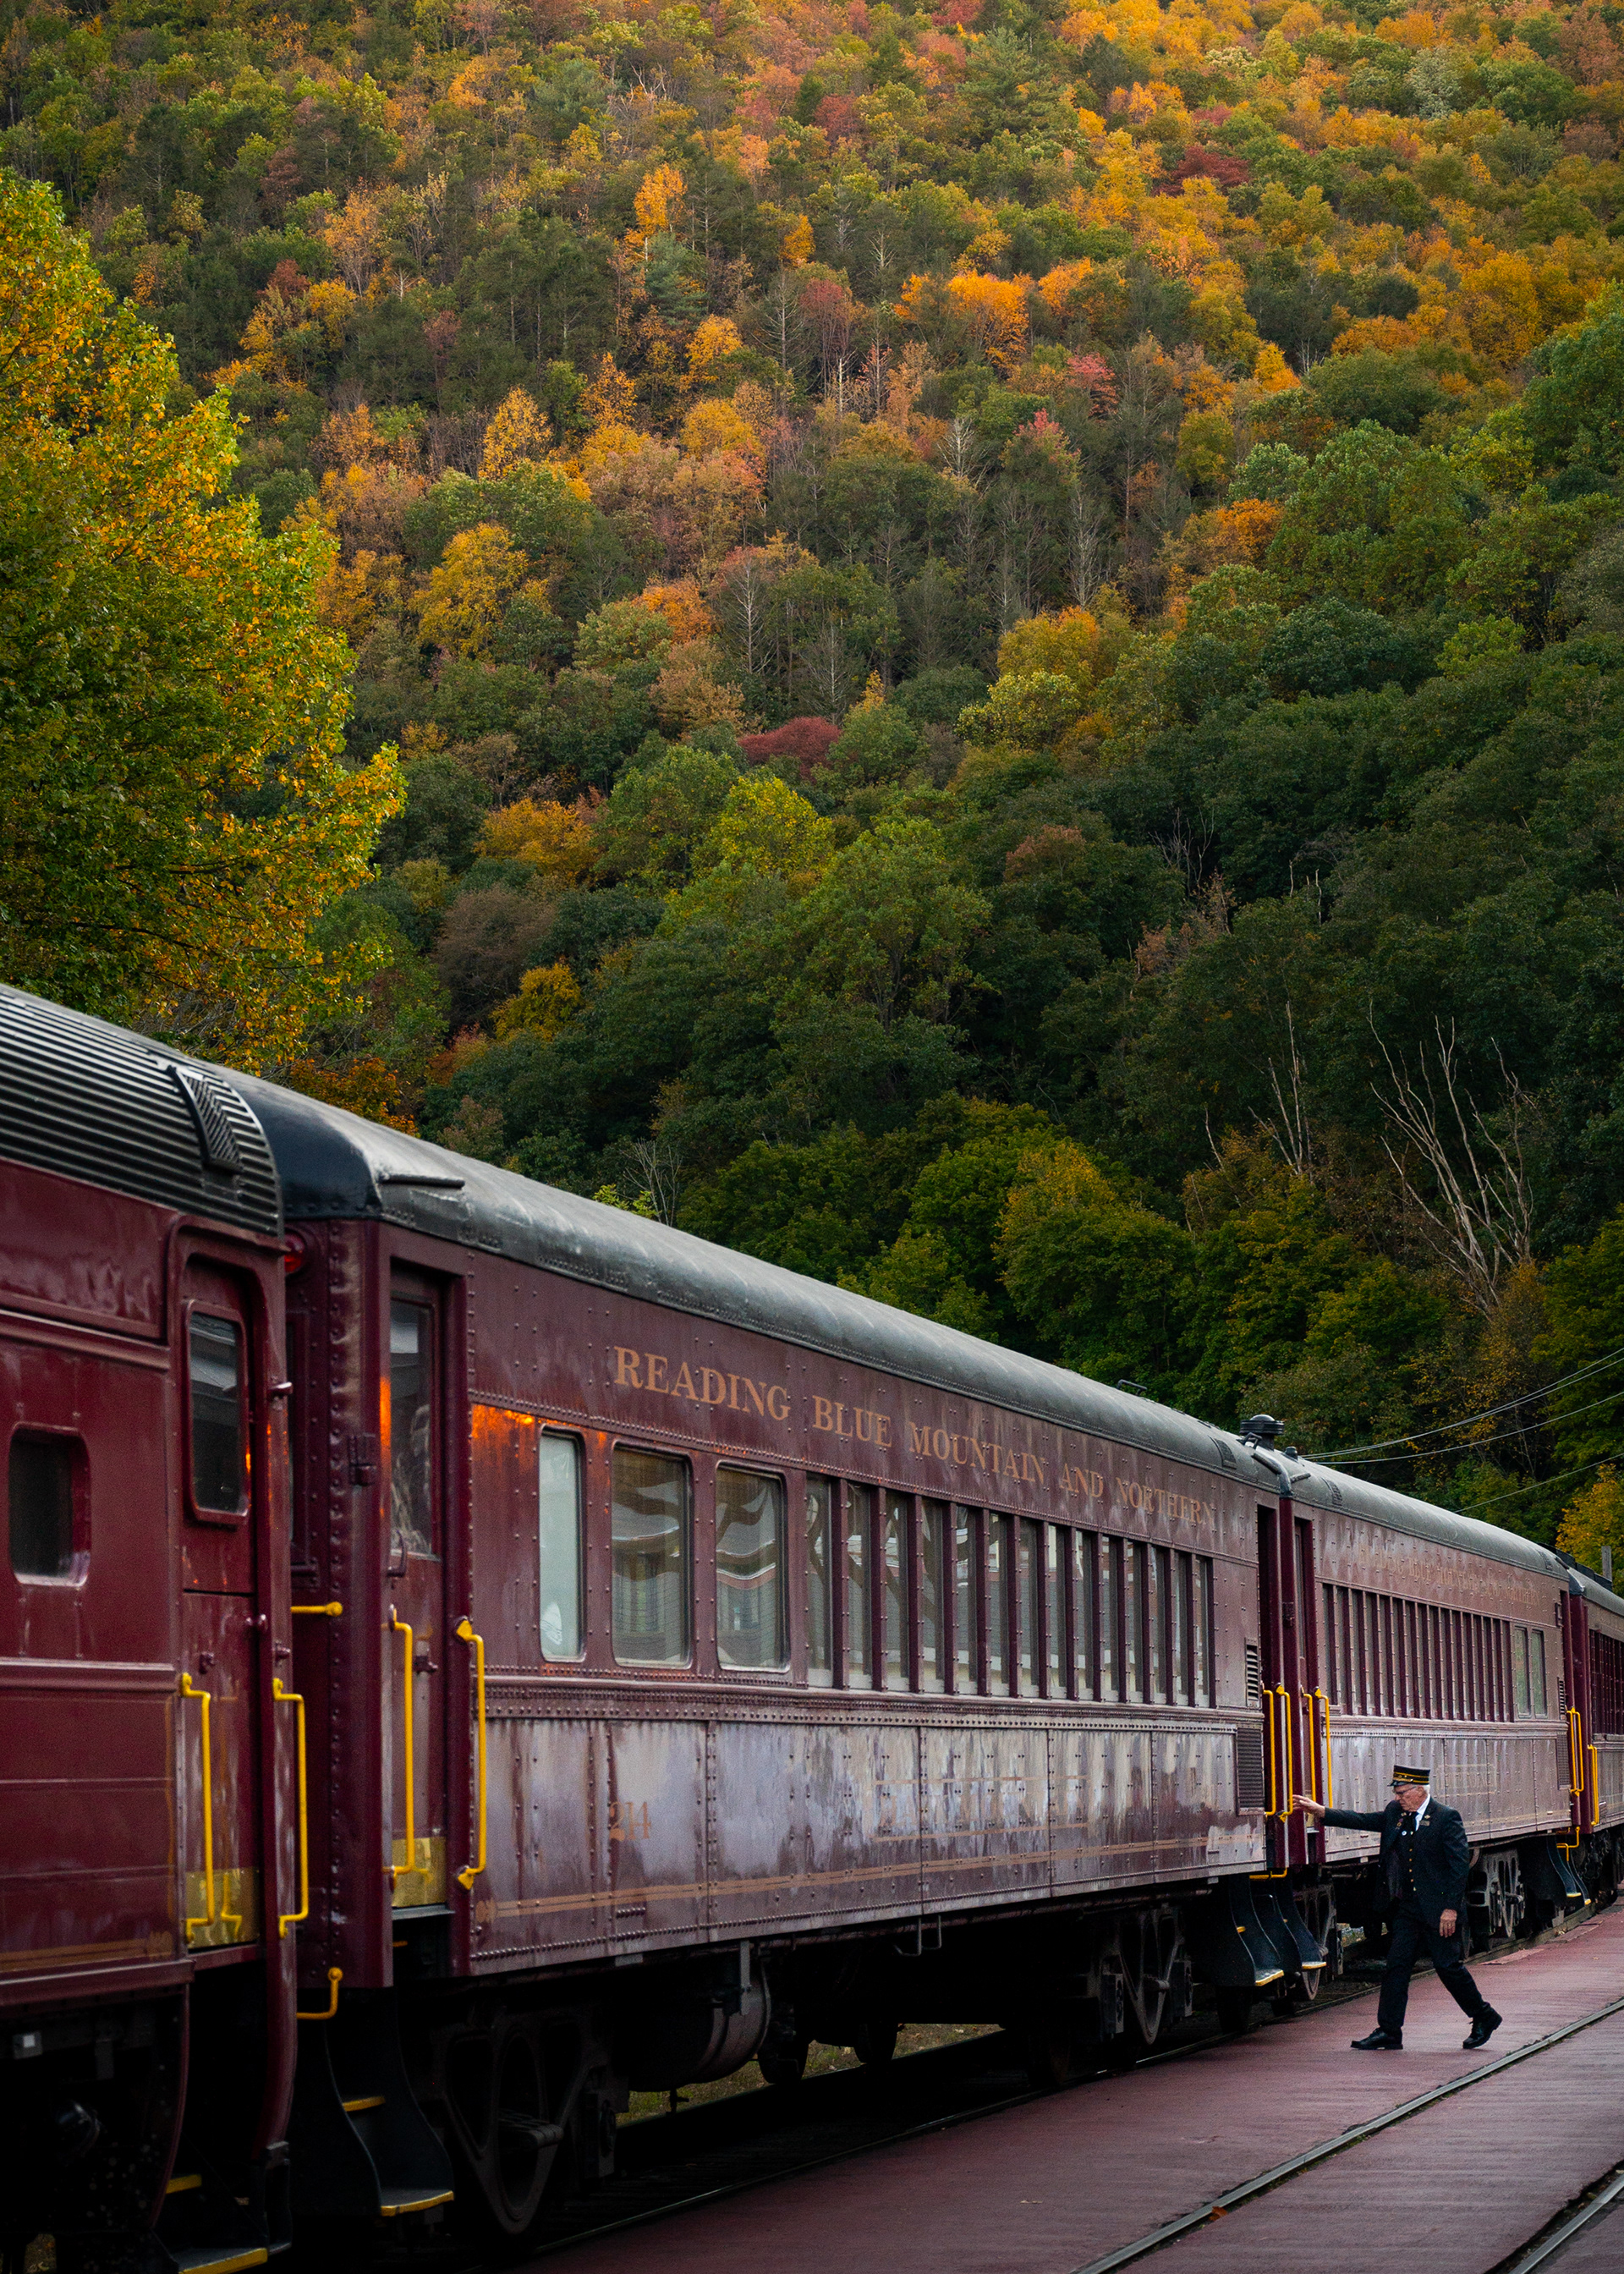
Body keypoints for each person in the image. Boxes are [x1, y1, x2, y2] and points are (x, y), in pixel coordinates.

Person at [1296, 1763, 1502, 2053]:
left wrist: (1450, 1910)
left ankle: (1484, 2016)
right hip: (1408, 1909)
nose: (1398, 1798)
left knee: (1448, 1967)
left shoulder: (1446, 1818)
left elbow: (1459, 1869)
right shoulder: (1396, 1813)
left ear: (1420, 1791)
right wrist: (1322, 1812)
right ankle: (1389, 2031)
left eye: (1403, 1793)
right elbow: (1365, 1820)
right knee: (1396, 1967)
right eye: (1397, 1793)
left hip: (1439, 1910)